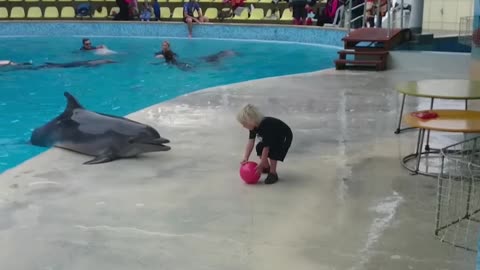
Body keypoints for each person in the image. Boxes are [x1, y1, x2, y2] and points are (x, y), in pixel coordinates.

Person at [237, 104, 293, 184]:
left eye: (244, 123)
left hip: (284, 136)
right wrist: (246, 157)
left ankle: (273, 173)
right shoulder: (253, 127)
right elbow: (251, 142)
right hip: (273, 135)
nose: (243, 126)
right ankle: (267, 168)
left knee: (274, 151)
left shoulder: (266, 125)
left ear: (251, 120)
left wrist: (261, 163)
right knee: (259, 147)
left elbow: (266, 148)